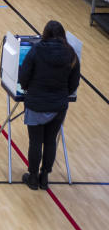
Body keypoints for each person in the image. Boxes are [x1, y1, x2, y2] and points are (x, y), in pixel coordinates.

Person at [19, 20, 80, 191]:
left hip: (36, 102)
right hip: (58, 105)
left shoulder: (36, 50)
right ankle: (44, 177)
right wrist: (61, 94)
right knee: (50, 141)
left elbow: (24, 75)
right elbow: (74, 83)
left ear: (45, 34)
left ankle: (32, 178)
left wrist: (27, 88)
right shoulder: (71, 53)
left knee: (35, 142)